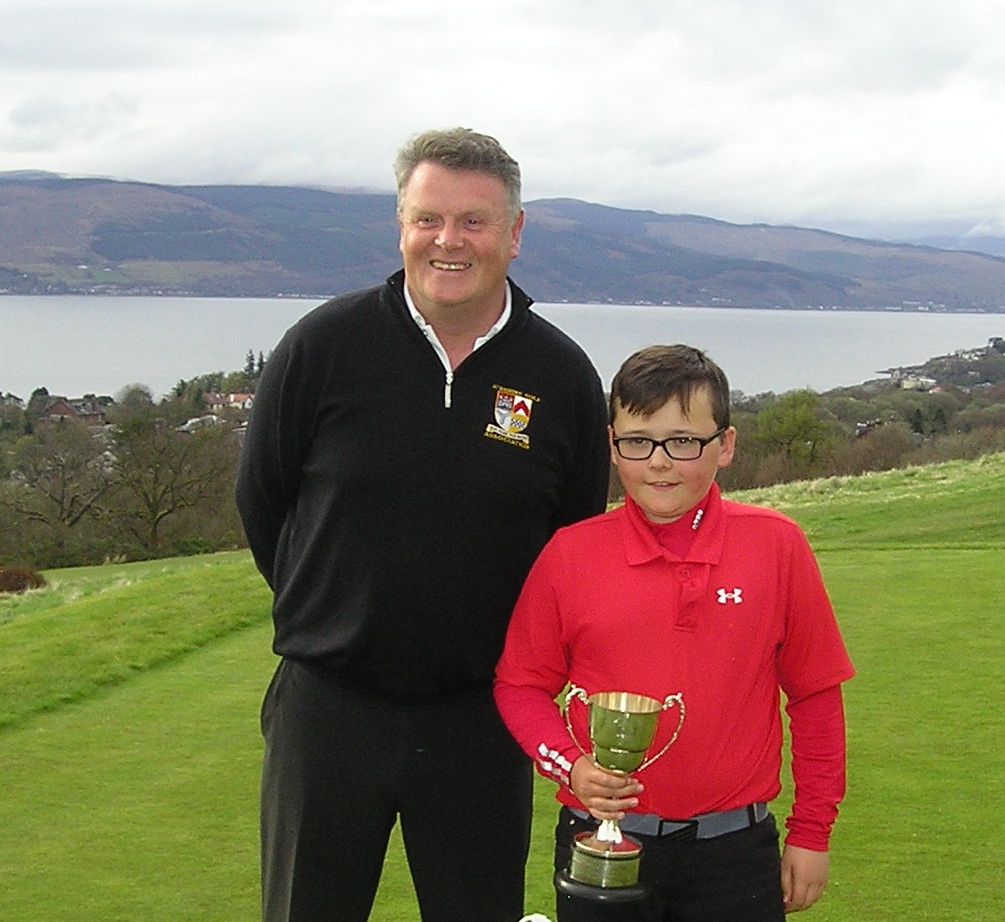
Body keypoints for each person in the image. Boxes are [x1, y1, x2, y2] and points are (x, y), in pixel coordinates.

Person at [235, 127, 611, 922]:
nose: (448, 241)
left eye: (473, 221)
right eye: (428, 218)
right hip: (327, 711)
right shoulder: (322, 347)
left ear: (514, 234)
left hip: (480, 719)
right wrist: (338, 610)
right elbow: (263, 503)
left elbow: (570, 542)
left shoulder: (561, 375)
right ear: (400, 225)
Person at [494, 344, 854, 921]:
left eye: (683, 441)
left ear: (726, 446)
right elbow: (519, 686)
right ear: (613, 446)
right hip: (600, 840)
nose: (659, 462)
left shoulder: (777, 545)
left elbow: (814, 696)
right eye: (638, 441)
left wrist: (812, 832)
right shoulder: (571, 553)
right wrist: (570, 766)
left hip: (736, 852)